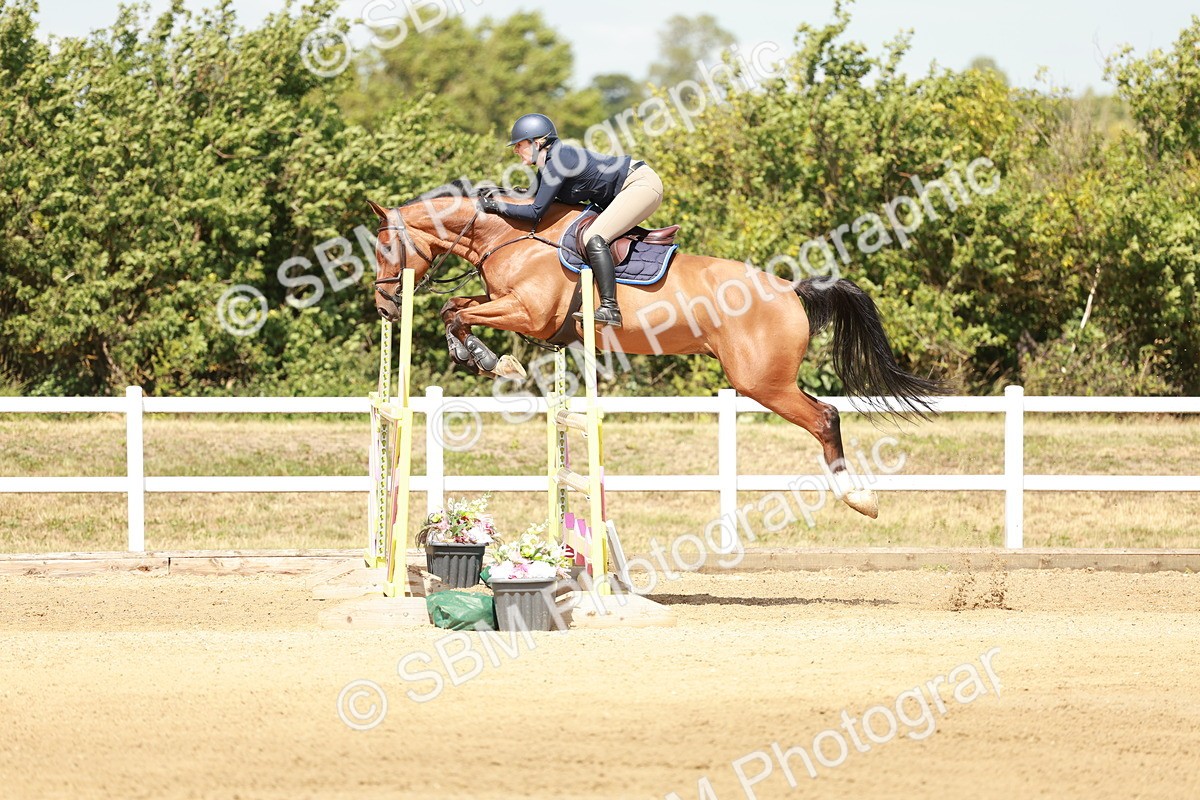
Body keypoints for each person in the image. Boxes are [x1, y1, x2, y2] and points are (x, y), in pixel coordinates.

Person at [477, 113, 664, 328]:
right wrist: (497, 192)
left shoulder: (558, 160)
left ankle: (610, 308)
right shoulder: (549, 162)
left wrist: (495, 207)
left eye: (519, 145)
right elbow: (532, 196)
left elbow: (535, 212)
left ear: (537, 143)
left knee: (593, 236)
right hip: (629, 186)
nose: (515, 150)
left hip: (640, 185)